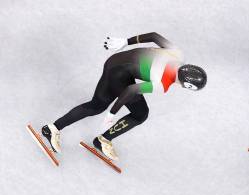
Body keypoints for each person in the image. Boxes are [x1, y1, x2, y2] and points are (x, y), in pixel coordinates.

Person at [40, 32, 206, 161]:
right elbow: (131, 91)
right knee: (140, 114)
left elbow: (154, 36)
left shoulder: (177, 53)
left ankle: (52, 129)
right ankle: (103, 141)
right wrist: (112, 114)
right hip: (119, 75)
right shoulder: (163, 83)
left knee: (96, 105)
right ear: (187, 85)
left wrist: (126, 41)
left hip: (114, 61)